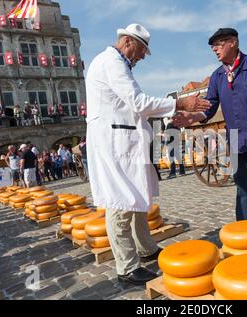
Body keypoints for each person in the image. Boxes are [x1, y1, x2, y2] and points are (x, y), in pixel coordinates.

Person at [85, 23, 211, 285]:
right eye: (142, 51)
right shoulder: (112, 63)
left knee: (136, 197)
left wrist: (175, 113)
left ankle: (145, 249)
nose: (142, 57)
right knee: (121, 202)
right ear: (129, 42)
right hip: (115, 143)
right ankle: (127, 268)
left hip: (125, 141)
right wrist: (179, 102)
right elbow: (138, 102)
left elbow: (137, 107)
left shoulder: (117, 63)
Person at [173, 28, 247, 232]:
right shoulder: (218, 76)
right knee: (242, 186)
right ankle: (244, 225)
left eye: (219, 44)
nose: (214, 49)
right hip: (237, 139)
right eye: (213, 46)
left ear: (233, 42)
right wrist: (192, 117)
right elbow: (209, 106)